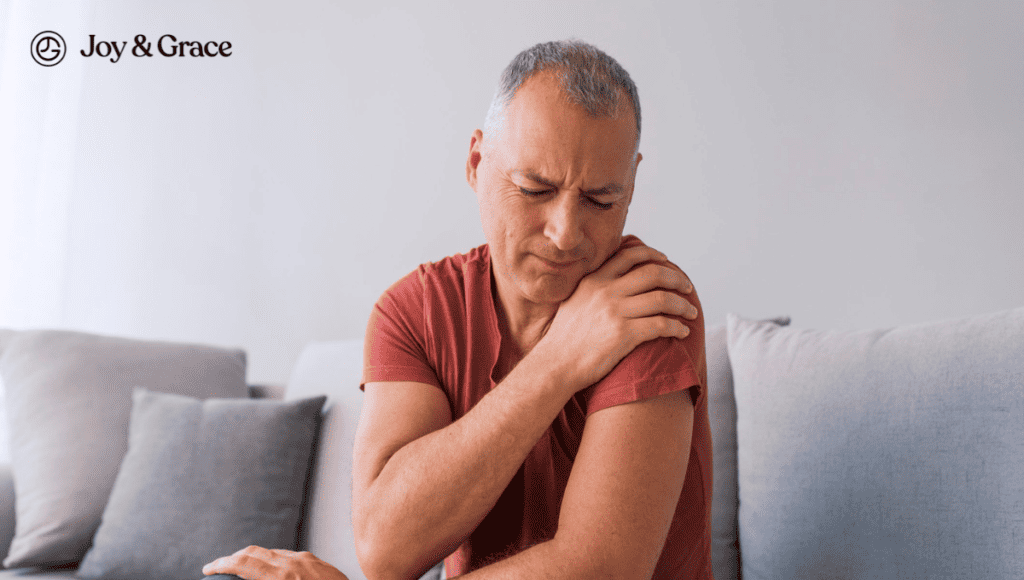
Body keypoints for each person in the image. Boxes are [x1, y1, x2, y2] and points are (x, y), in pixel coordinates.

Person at [203, 39, 711, 580]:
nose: (565, 234)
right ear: (476, 163)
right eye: (535, 189)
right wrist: (559, 361)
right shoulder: (413, 310)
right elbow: (386, 550)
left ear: (630, 187)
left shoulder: (649, 305)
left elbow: (601, 569)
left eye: (601, 200)